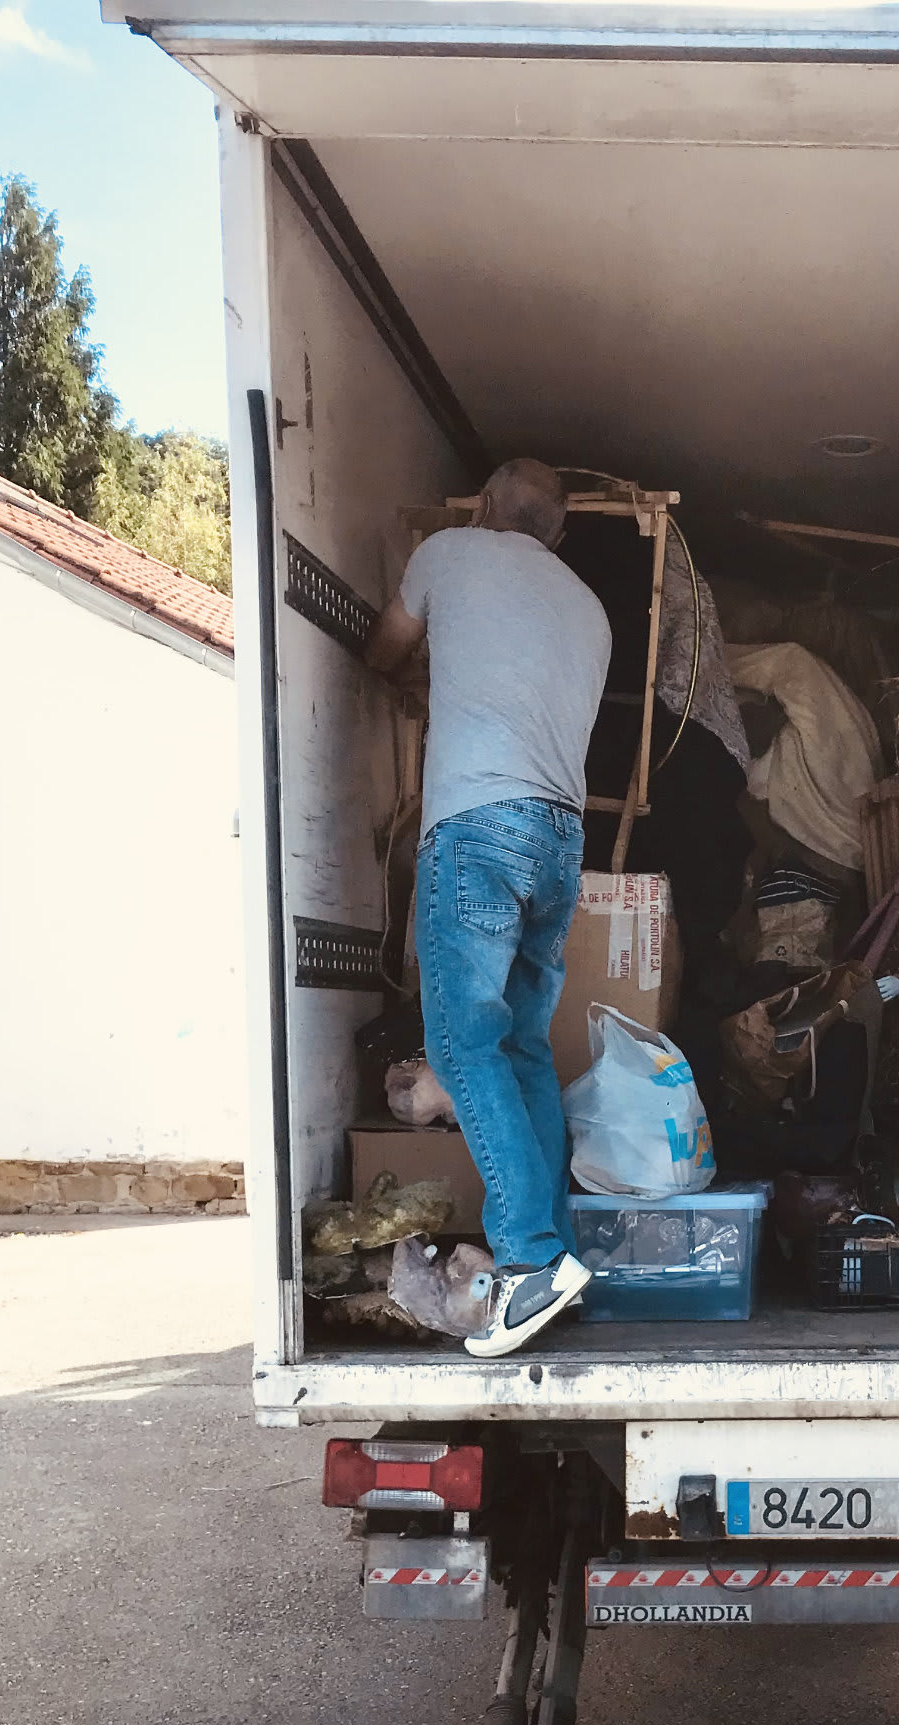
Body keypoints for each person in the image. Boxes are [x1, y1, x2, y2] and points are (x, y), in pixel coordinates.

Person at [365, 459, 611, 1358]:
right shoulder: (590, 609)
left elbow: (388, 647)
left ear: (482, 508)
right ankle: (562, 1263)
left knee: (464, 1043)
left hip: (476, 825)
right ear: (556, 534)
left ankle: (533, 1264)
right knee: (522, 1051)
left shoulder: (447, 551)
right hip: (560, 839)